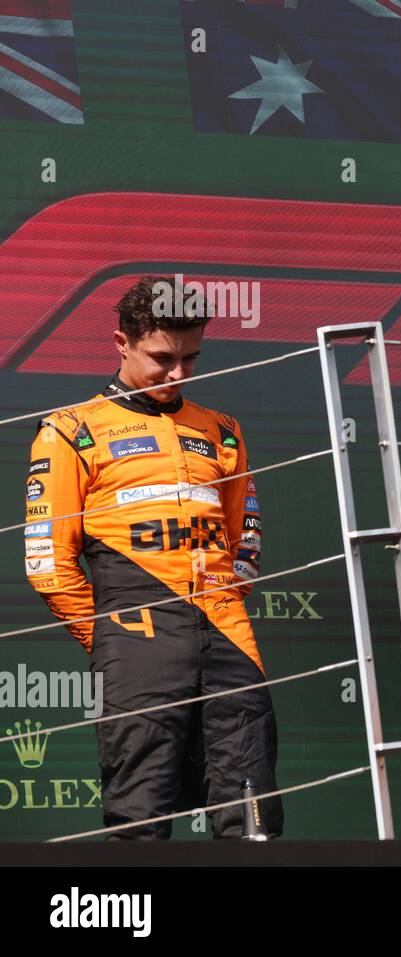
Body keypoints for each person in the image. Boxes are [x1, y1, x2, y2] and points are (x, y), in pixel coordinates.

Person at [25, 276, 282, 839]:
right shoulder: (70, 431)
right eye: (162, 358)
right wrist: (112, 636)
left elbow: (248, 540)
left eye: (192, 358)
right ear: (122, 342)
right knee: (141, 804)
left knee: (252, 796)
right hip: (133, 625)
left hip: (226, 626)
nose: (179, 374)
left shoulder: (223, 430)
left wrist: (221, 603)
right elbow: (47, 561)